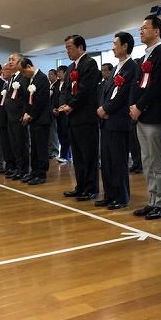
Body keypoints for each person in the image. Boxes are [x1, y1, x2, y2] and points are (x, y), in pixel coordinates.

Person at [130, 15, 161, 220]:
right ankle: (152, 200)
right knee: (147, 161)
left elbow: (157, 86)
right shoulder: (144, 56)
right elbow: (138, 84)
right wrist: (133, 106)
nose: (141, 31)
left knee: (158, 161)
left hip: (155, 116)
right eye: (140, 28)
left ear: (156, 31)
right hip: (141, 116)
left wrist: (140, 106)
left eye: (145, 28)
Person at [96, 32, 138, 209]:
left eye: (115, 44)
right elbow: (105, 91)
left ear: (125, 46)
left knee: (118, 161)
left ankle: (121, 197)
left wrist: (106, 109)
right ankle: (110, 194)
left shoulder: (132, 67)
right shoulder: (115, 68)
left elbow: (123, 95)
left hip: (119, 120)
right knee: (106, 160)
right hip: (106, 121)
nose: (113, 47)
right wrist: (101, 108)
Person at [59, 35, 101, 200]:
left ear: (80, 47)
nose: (67, 51)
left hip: (85, 116)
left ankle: (91, 188)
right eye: (66, 48)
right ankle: (81, 186)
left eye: (70, 47)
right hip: (73, 117)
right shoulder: (71, 67)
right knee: (77, 155)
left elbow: (85, 89)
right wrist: (64, 104)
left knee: (88, 154)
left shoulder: (90, 63)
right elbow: (66, 89)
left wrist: (71, 105)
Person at [20, 58, 51, 185]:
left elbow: (41, 100)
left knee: (41, 147)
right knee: (34, 148)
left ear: (29, 66)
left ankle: (41, 173)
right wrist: (26, 112)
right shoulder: (29, 79)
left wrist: (31, 114)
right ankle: (34, 171)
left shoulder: (42, 78)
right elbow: (26, 98)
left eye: (23, 72)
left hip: (41, 118)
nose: (23, 75)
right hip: (33, 119)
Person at [4, 52, 29, 180]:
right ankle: (18, 168)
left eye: (13, 59)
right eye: (9, 59)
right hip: (10, 116)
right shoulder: (12, 78)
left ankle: (23, 170)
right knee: (14, 144)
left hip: (19, 116)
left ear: (20, 61)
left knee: (21, 144)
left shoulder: (23, 77)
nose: (10, 62)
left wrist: (24, 113)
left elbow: (25, 97)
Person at [54, 65, 72, 162]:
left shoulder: (69, 83)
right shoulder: (56, 84)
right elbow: (54, 98)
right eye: (57, 72)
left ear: (65, 73)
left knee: (66, 134)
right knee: (60, 133)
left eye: (60, 72)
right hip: (58, 112)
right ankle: (66, 155)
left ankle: (64, 155)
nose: (58, 74)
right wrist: (54, 108)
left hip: (66, 111)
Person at [47, 69, 61, 162]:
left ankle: (54, 151)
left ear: (56, 76)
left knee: (53, 133)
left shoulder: (57, 85)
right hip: (48, 112)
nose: (49, 76)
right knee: (49, 133)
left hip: (54, 111)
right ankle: (49, 150)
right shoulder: (49, 85)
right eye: (49, 74)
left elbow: (56, 99)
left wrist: (53, 108)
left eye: (51, 74)